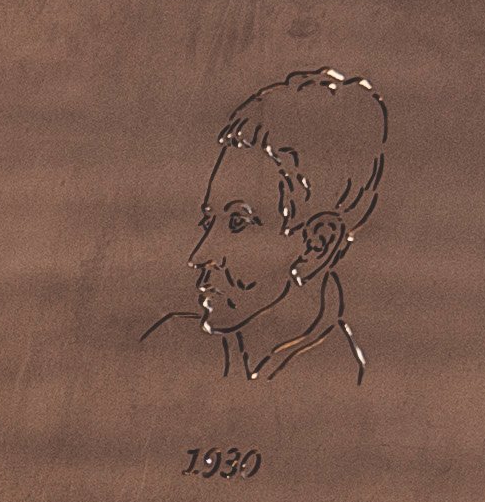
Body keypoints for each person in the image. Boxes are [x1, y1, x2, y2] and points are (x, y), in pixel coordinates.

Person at [150, 68, 390, 382]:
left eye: (238, 223)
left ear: (317, 246)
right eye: (208, 221)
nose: (200, 256)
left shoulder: (343, 386)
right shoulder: (161, 348)